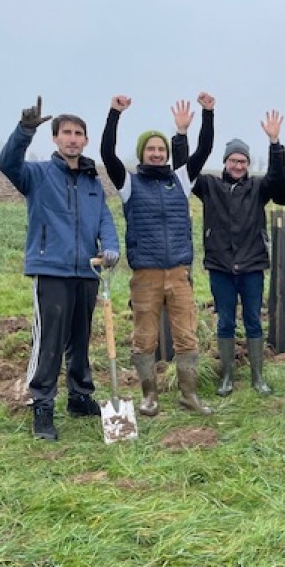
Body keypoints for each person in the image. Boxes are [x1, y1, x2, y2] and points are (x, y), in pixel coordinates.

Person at [0, 96, 120, 441]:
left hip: (88, 271)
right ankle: (42, 405)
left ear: (85, 140)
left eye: (78, 134)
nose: (72, 139)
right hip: (51, 269)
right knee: (49, 341)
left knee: (81, 338)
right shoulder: (37, 175)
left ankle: (80, 396)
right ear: (55, 138)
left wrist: (111, 246)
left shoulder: (92, 180)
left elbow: (104, 218)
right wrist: (24, 131)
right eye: (66, 132)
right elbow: (8, 164)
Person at [100, 93, 214, 416]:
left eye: (161, 149)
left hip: (179, 273)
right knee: (144, 338)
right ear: (142, 154)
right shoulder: (129, 183)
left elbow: (204, 148)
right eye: (150, 149)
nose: (156, 153)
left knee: (187, 336)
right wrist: (114, 114)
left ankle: (189, 396)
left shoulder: (181, 179)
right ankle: (149, 397)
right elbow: (107, 153)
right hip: (146, 275)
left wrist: (208, 113)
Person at [188, 109, 285, 397]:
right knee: (225, 321)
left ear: (248, 164)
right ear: (225, 162)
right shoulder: (209, 186)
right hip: (220, 265)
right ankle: (227, 377)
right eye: (234, 160)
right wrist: (185, 133)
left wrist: (274, 143)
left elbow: (278, 178)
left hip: (252, 265)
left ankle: (258, 377)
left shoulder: (258, 187)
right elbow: (187, 169)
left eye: (243, 161)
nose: (238, 165)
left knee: (253, 320)